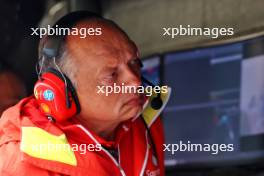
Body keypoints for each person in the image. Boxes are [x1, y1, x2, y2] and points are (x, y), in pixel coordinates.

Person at [0, 11, 167, 176]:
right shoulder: (21, 163)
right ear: (60, 90)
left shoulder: (146, 119)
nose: (135, 82)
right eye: (112, 75)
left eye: (134, 63)